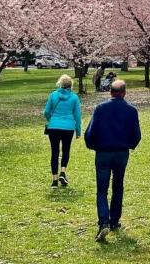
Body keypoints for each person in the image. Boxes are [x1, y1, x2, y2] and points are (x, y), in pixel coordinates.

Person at [84, 79, 141, 242]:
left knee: (102, 189)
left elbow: (91, 132)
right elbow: (136, 135)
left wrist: (92, 145)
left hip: (103, 152)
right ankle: (115, 220)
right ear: (124, 93)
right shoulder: (131, 110)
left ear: (110, 92)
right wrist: (129, 145)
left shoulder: (100, 109)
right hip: (121, 152)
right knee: (118, 186)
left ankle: (104, 222)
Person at [43, 74, 82, 188]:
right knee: (66, 150)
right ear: (71, 85)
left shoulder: (53, 95)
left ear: (60, 84)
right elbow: (77, 115)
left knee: (54, 152)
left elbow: (46, 111)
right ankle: (63, 172)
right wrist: (78, 131)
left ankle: (54, 180)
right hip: (68, 127)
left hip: (54, 127)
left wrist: (52, 120)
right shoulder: (74, 97)